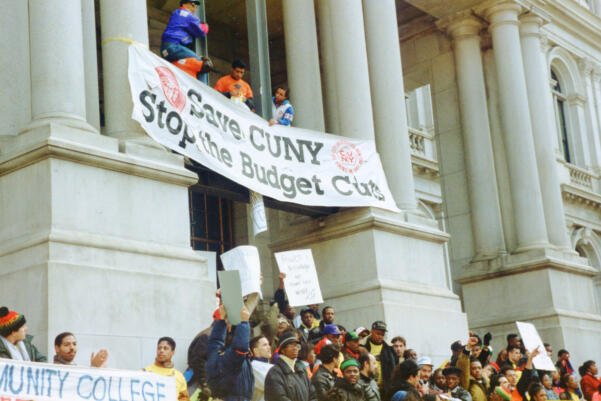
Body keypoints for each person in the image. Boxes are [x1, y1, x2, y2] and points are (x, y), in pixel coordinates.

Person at [206, 304, 254, 401]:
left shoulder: (215, 353)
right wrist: (244, 322)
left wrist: (222, 320)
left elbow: (215, 340)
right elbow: (240, 348)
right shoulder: (230, 358)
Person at [160, 0, 211, 79]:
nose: (195, 7)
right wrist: (206, 26)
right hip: (174, 47)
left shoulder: (176, 13)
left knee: (181, 67)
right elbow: (201, 31)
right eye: (193, 4)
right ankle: (202, 88)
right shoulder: (187, 15)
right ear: (184, 3)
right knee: (201, 65)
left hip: (165, 50)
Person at [265, 330, 315, 401]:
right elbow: (279, 398)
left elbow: (313, 395)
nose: (295, 348)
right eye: (291, 345)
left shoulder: (301, 369)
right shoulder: (274, 373)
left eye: (297, 346)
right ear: (282, 350)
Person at [143, 337, 190, 401]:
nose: (161, 351)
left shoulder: (179, 376)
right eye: (159, 348)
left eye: (166, 348)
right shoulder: (144, 372)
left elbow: (184, 398)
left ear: (172, 352)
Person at [362, 321, 398, 395]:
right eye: (378, 333)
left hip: (386, 389)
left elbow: (396, 367)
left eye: (382, 334)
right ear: (371, 332)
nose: (380, 336)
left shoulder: (390, 348)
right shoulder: (363, 346)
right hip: (367, 388)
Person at [457, 337, 489, 401]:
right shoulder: (467, 382)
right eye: (474, 368)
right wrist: (468, 347)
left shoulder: (486, 381)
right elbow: (463, 364)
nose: (477, 370)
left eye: (479, 368)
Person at [250, 335, 273, 401]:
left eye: (269, 344)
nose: (269, 347)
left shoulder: (271, 365)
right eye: (265, 345)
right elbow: (273, 386)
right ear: (255, 350)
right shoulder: (253, 367)